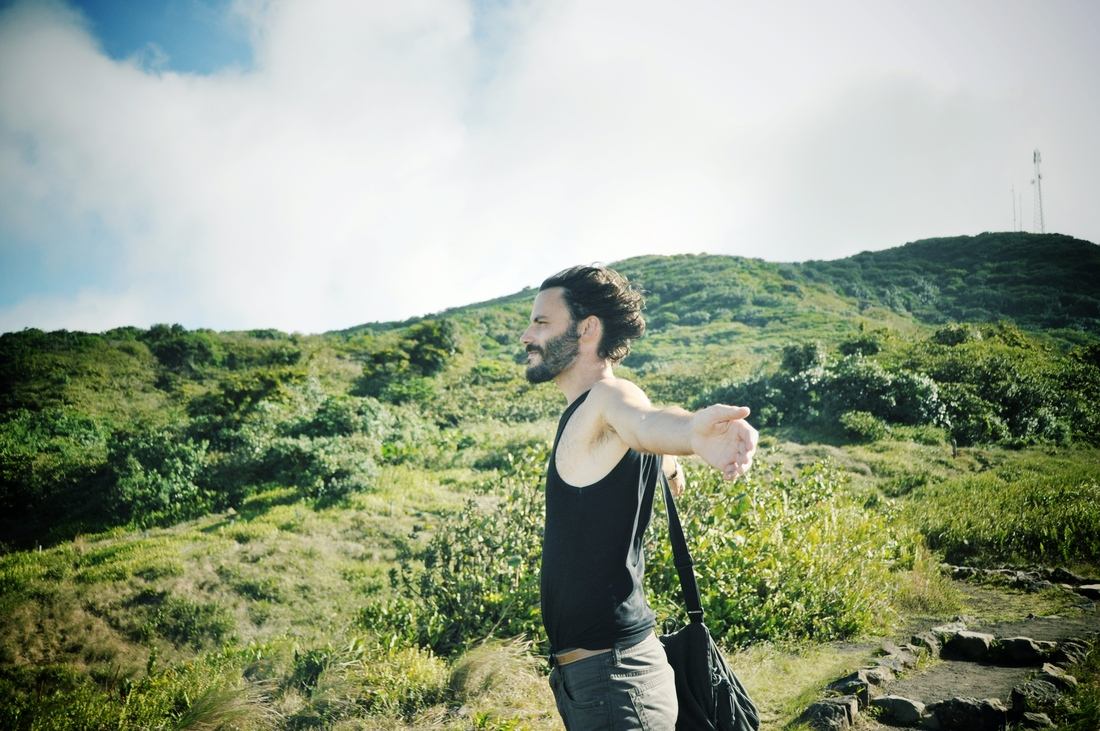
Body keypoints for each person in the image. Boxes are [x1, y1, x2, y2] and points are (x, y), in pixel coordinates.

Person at [521, 265, 759, 730]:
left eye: (542, 323)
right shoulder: (596, 420)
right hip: (597, 678)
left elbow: (644, 420)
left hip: (616, 680)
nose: (527, 336)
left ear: (587, 328)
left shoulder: (608, 398)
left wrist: (692, 432)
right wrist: (672, 463)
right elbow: (646, 436)